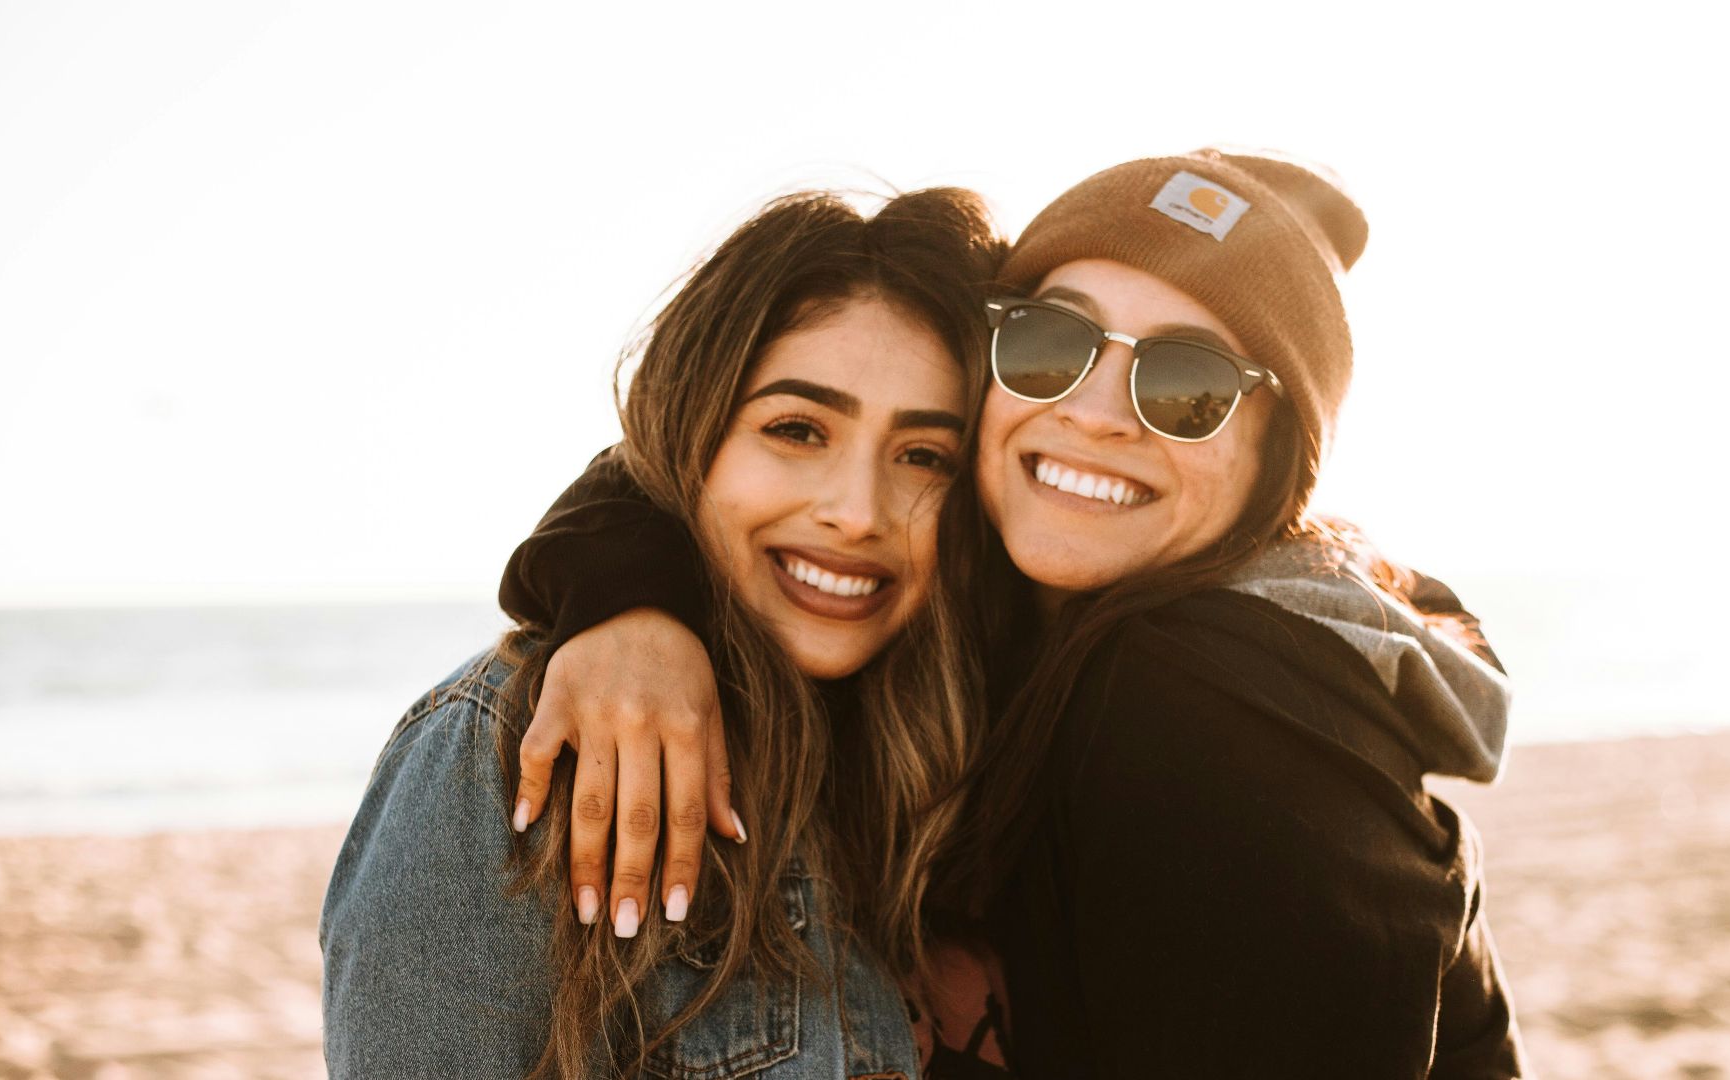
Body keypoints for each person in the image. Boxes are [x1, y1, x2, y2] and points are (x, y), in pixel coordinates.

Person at [500, 149, 1528, 1077]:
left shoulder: (1212, 707)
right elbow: (707, 452)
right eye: (1052, 342)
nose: (1093, 410)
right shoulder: (1004, 602)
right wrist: (633, 603)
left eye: (1188, 382)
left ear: (1276, 460)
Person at [318, 187, 1016, 1078]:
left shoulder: (961, 753)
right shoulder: (510, 751)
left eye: (925, 456)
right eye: (797, 430)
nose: (857, 512)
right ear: (691, 437)